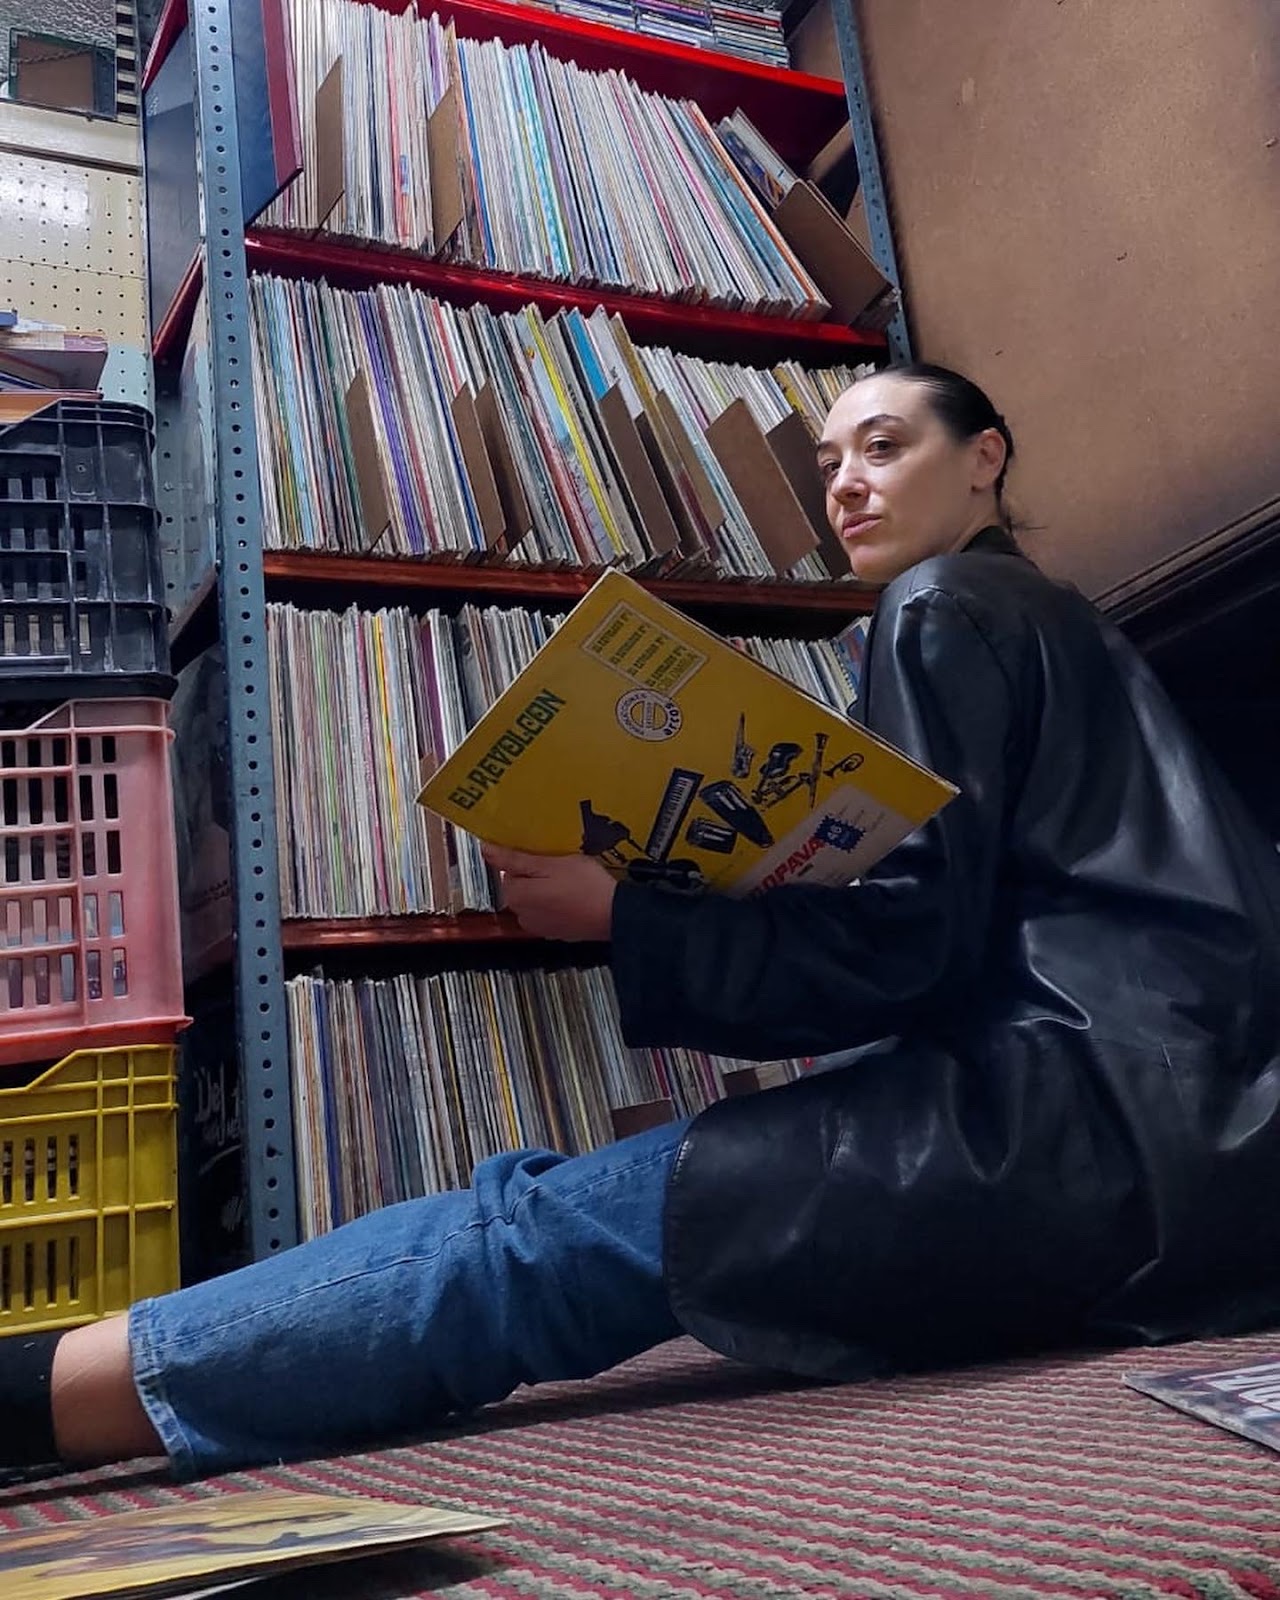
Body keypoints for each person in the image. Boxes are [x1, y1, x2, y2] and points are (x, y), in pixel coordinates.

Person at [9, 363, 1280, 1482]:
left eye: (885, 447)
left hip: (1077, 1139)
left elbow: (908, 944)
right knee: (587, 1222)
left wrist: (623, 909)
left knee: (526, 1236)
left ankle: (28, 1395)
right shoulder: (1071, 626)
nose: (844, 484)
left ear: (984, 457)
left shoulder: (943, 602)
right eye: (826, 463)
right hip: (1215, 1175)